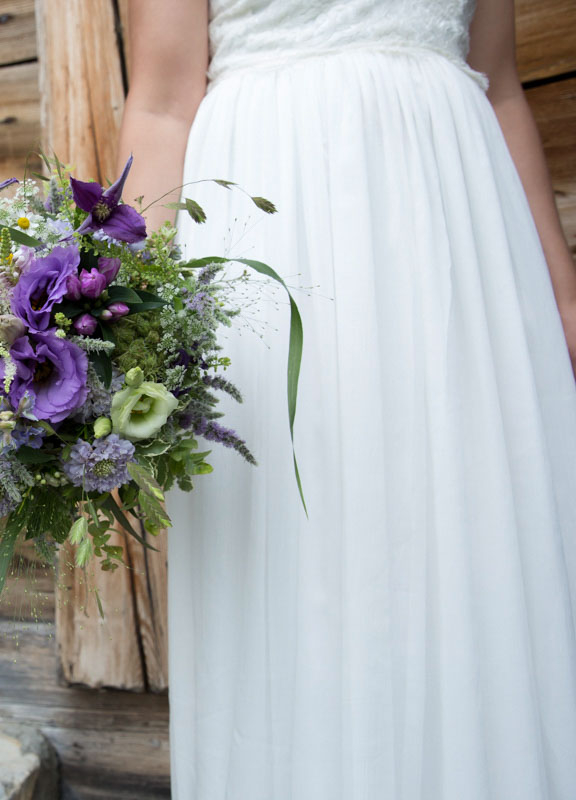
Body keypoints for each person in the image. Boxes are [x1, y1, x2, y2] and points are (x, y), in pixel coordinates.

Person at [116, 0, 576, 797]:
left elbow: (499, 83)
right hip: (275, 247)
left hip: (462, 247)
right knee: (312, 543)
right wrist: (126, 322)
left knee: (474, 529)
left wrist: (560, 292)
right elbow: (160, 108)